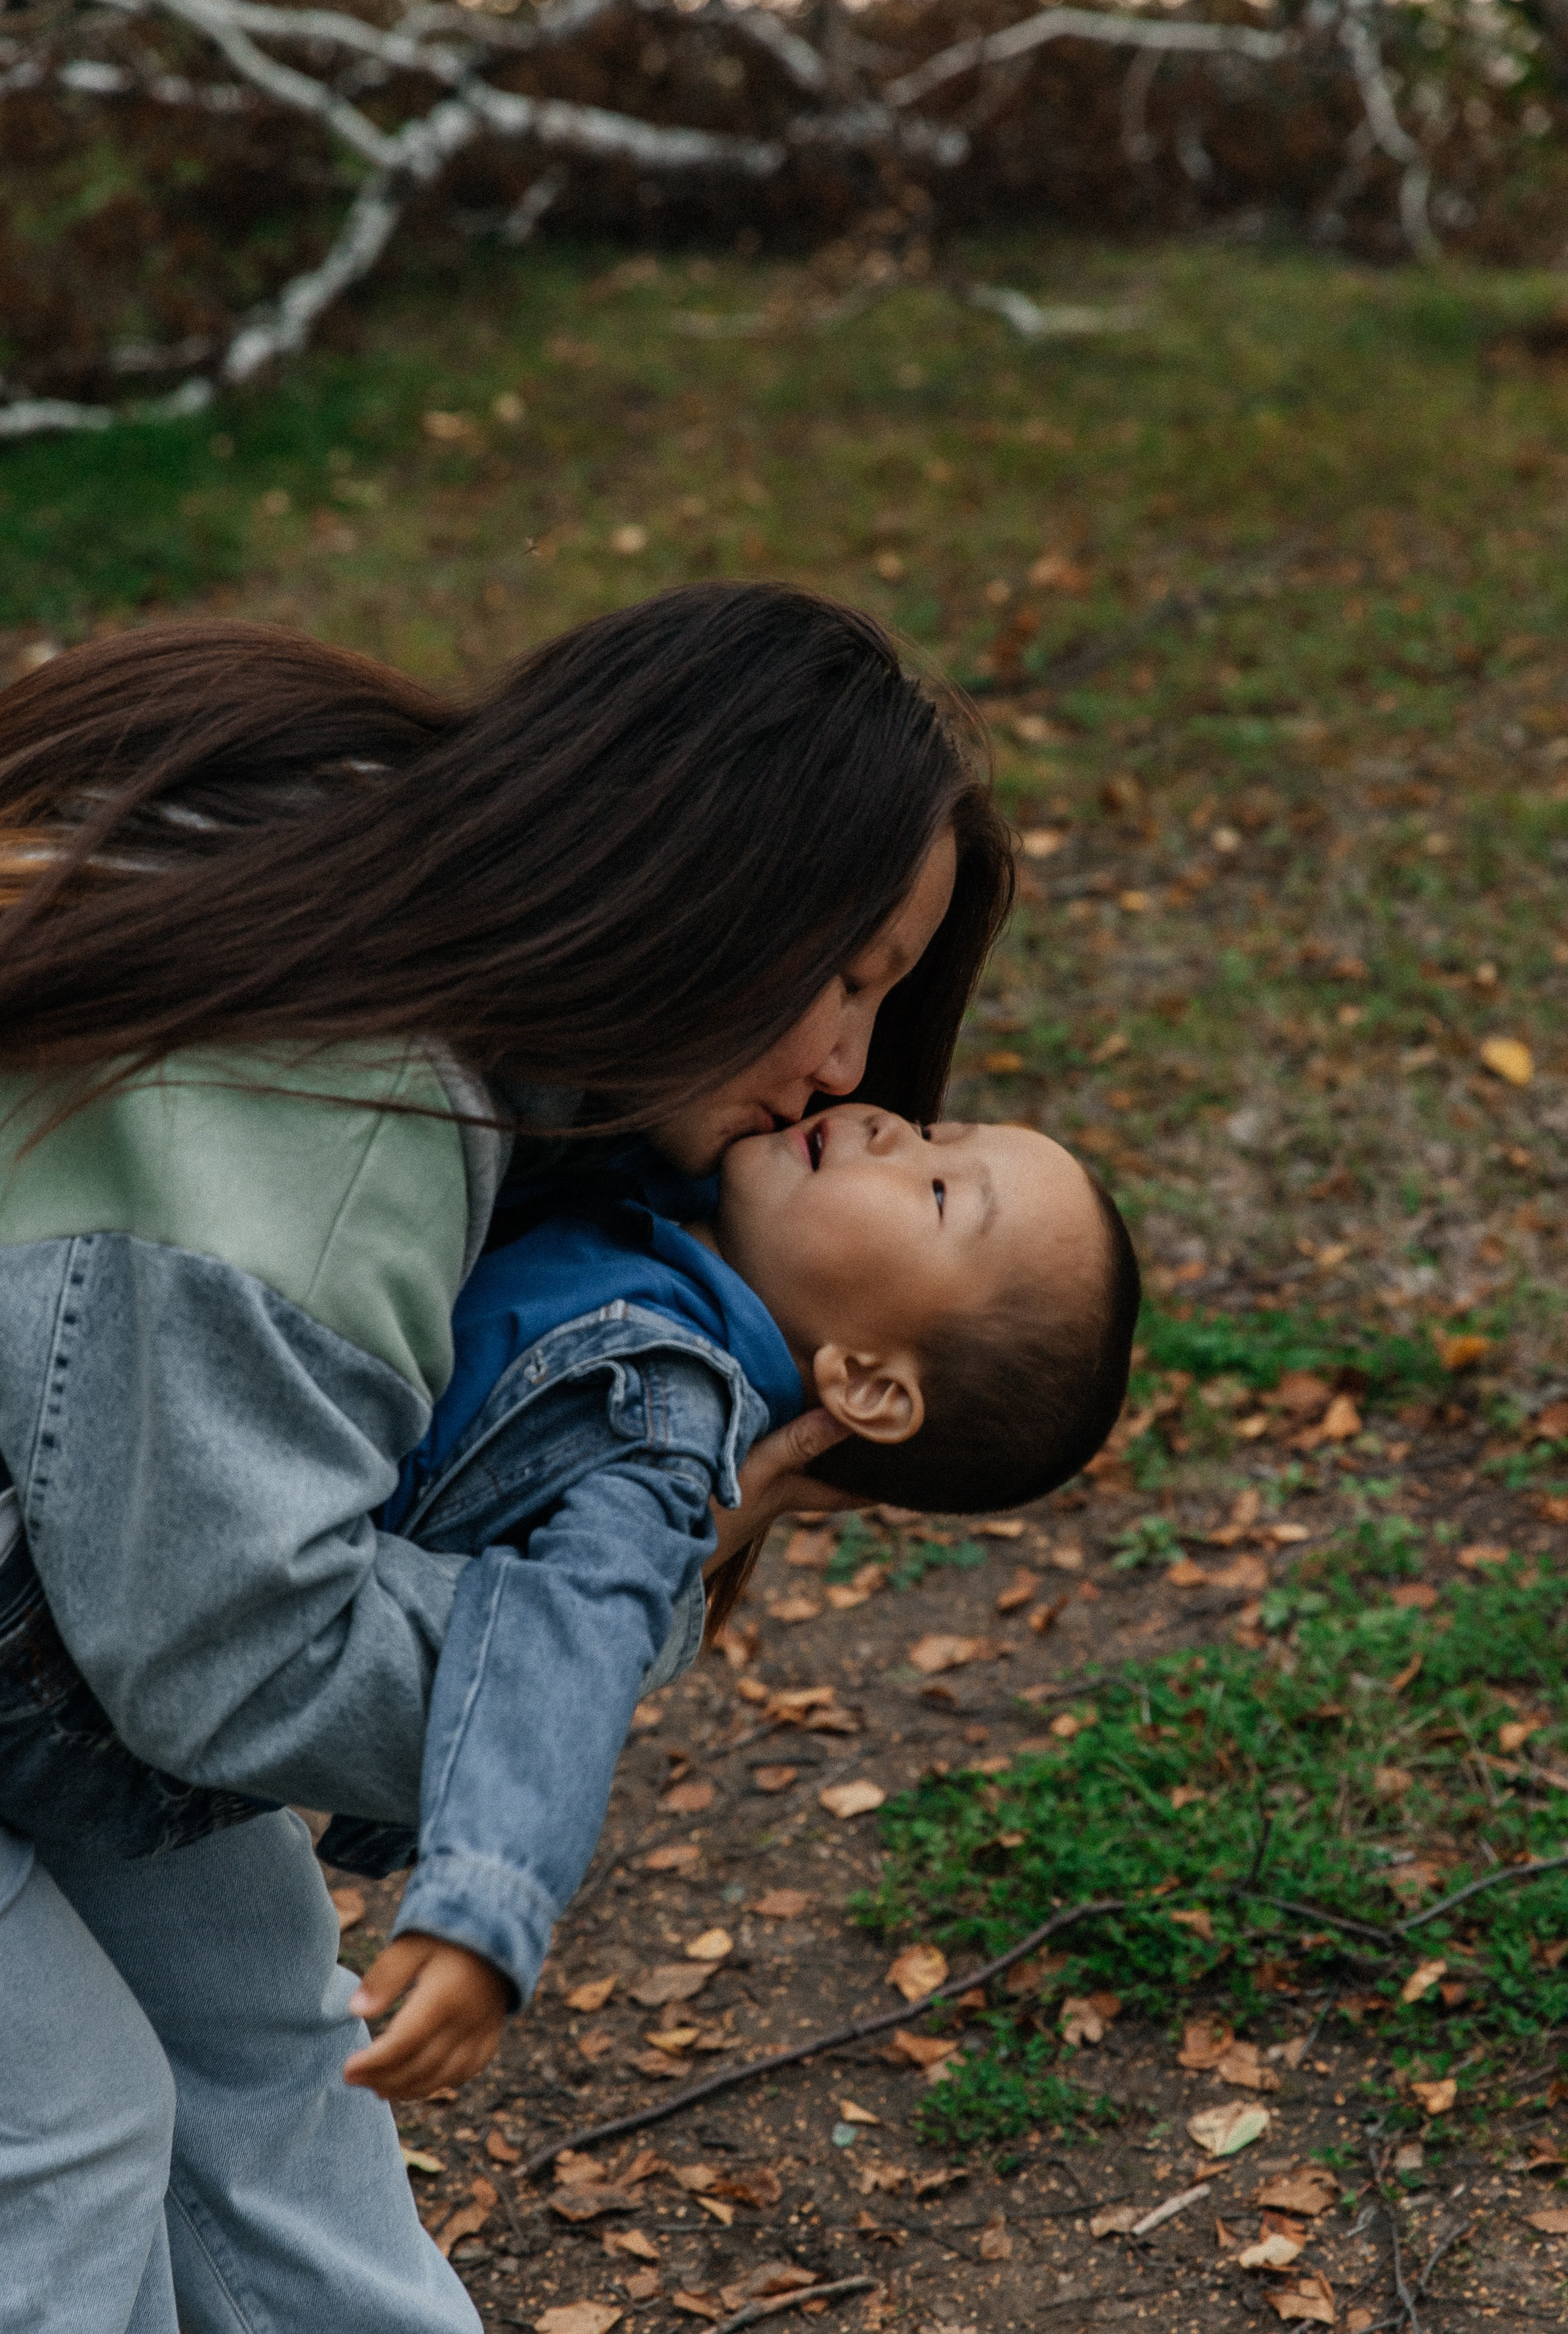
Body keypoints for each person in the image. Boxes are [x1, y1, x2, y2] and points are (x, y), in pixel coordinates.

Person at [0, 583, 1013, 2334]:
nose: (851, 1068)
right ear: (701, 872)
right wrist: (621, 1586)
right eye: (843, 977)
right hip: (76, 1662)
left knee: (273, 2066)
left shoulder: (380, 888)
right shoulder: (349, 1109)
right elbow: (232, 1654)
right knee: (68, 2138)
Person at [322, 1100, 1139, 2103]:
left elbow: (571, 1634)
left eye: (934, 1191)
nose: (892, 1130)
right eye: (941, 1130)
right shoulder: (667, 1182)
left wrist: (485, 1902)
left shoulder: (657, 1425)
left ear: (870, 1387)